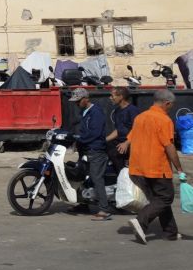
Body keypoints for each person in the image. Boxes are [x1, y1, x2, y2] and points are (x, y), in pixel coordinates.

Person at [126, 88, 181, 243]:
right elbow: (169, 146)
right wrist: (179, 168)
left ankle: (170, 232)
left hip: (138, 167)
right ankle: (141, 220)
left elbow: (130, 139)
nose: (171, 108)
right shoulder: (164, 120)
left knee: (159, 200)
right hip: (157, 168)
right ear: (167, 103)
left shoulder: (140, 117)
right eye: (171, 105)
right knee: (165, 198)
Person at [72, 88, 113, 221]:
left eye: (78, 101)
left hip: (96, 150)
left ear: (85, 99)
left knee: (96, 178)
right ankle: (84, 204)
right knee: (84, 177)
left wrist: (79, 139)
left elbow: (95, 133)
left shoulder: (96, 112)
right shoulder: (84, 112)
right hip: (86, 150)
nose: (76, 104)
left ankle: (104, 210)